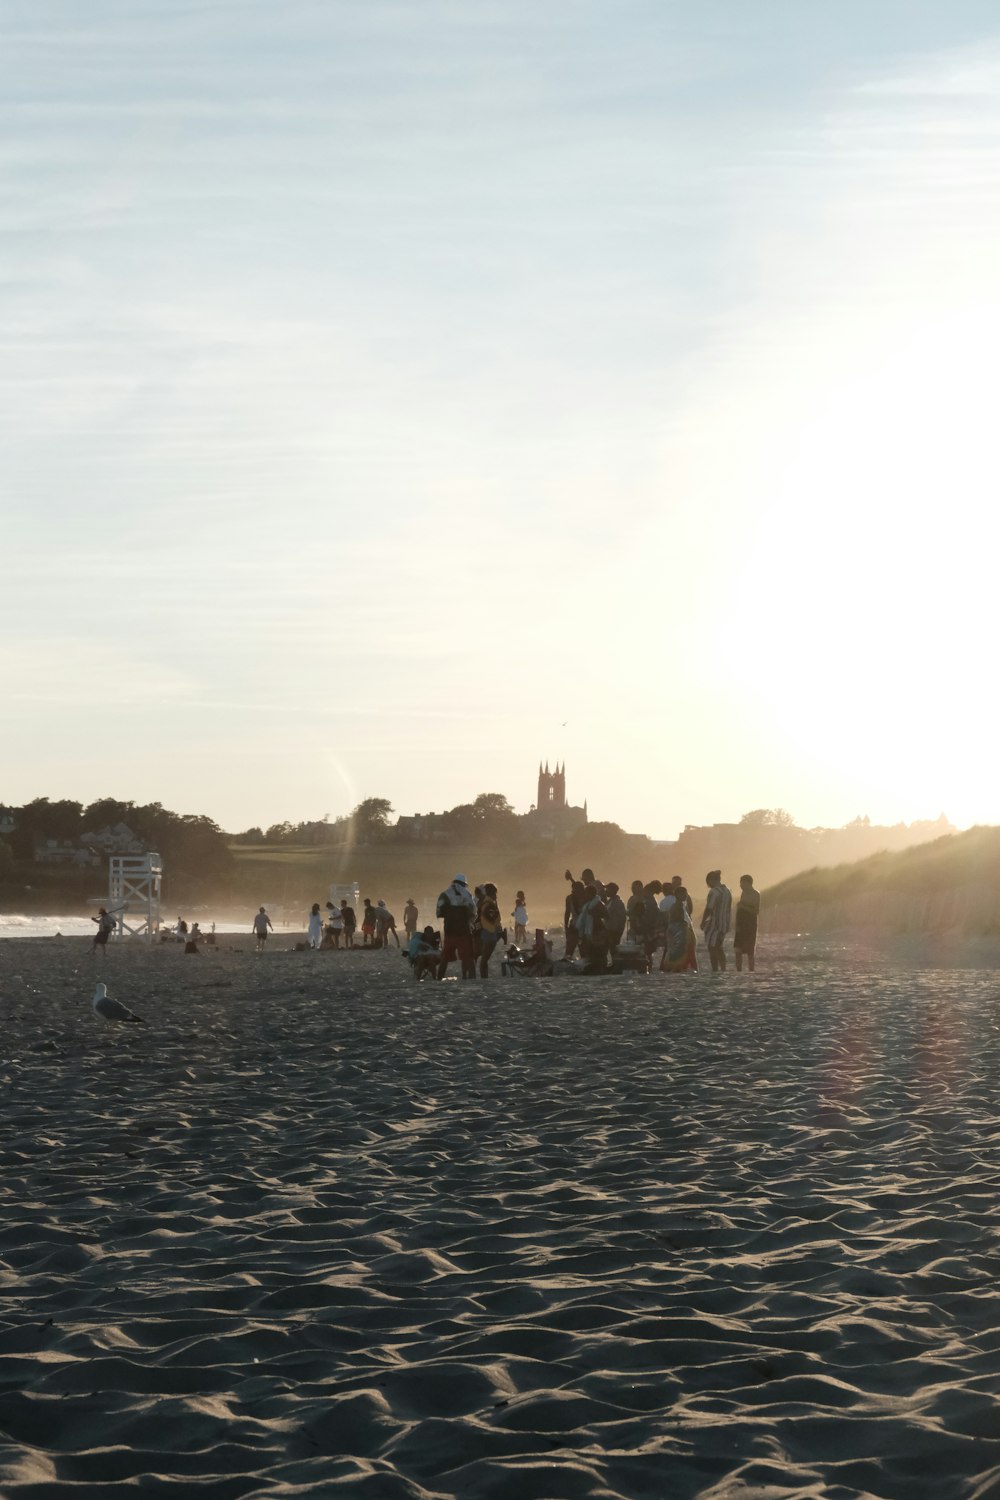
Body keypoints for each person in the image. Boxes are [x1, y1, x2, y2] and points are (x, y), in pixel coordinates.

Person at [436, 873, 477, 979]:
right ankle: (472, 979)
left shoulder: (445, 894)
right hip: (464, 931)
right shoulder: (467, 895)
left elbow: (439, 912)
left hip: (449, 930)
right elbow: (473, 911)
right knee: (468, 957)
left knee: (444, 958)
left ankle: (439, 978)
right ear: (464, 884)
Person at [700, 870, 733, 972]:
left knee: (712, 947)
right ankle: (723, 969)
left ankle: (715, 970)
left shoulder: (714, 892)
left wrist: (703, 921)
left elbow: (709, 908)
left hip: (714, 924)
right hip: (724, 924)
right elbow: (728, 909)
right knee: (719, 947)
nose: (707, 884)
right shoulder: (727, 891)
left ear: (712, 880)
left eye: (707, 881)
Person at [660, 886, 698, 972]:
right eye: (683, 894)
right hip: (679, 933)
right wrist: (684, 926)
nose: (685, 896)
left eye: (685, 894)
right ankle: (680, 968)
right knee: (680, 952)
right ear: (677, 895)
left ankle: (687, 968)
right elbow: (676, 920)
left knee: (682, 951)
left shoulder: (681, 905)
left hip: (680, 932)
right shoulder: (677, 906)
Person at [576, 884, 609, 973]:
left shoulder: (598, 903)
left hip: (598, 931)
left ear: (591, 894)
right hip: (590, 932)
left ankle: (600, 970)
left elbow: (606, 915)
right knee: (591, 952)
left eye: (586, 894)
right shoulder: (587, 905)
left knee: (599, 952)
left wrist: (595, 913)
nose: (585, 895)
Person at [476, 883, 505, 977]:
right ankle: (484, 978)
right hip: (489, 933)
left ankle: (484, 977)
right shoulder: (489, 904)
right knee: (485, 959)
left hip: (487, 932)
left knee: (485, 958)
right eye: (495, 894)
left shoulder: (486, 903)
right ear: (492, 893)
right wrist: (498, 930)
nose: (496, 896)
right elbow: (492, 919)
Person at [734, 874, 761, 972]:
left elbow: (756, 911)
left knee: (750, 951)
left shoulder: (756, 894)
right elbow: (740, 910)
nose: (740, 885)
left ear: (747, 883)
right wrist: (736, 924)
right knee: (737, 950)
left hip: (750, 924)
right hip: (741, 924)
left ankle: (751, 971)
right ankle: (739, 971)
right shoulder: (743, 893)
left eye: (742, 883)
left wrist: (743, 906)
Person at [563, 881, 585, 958]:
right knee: (569, 949)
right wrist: (566, 925)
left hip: (585, 926)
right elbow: (567, 912)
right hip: (574, 926)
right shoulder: (569, 898)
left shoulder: (587, 897)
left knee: (584, 950)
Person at [603, 883, 627, 951]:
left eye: (607, 889)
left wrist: (618, 930)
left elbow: (622, 917)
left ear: (612, 890)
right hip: (609, 929)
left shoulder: (618, 902)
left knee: (613, 949)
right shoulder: (610, 901)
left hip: (614, 930)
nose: (606, 891)